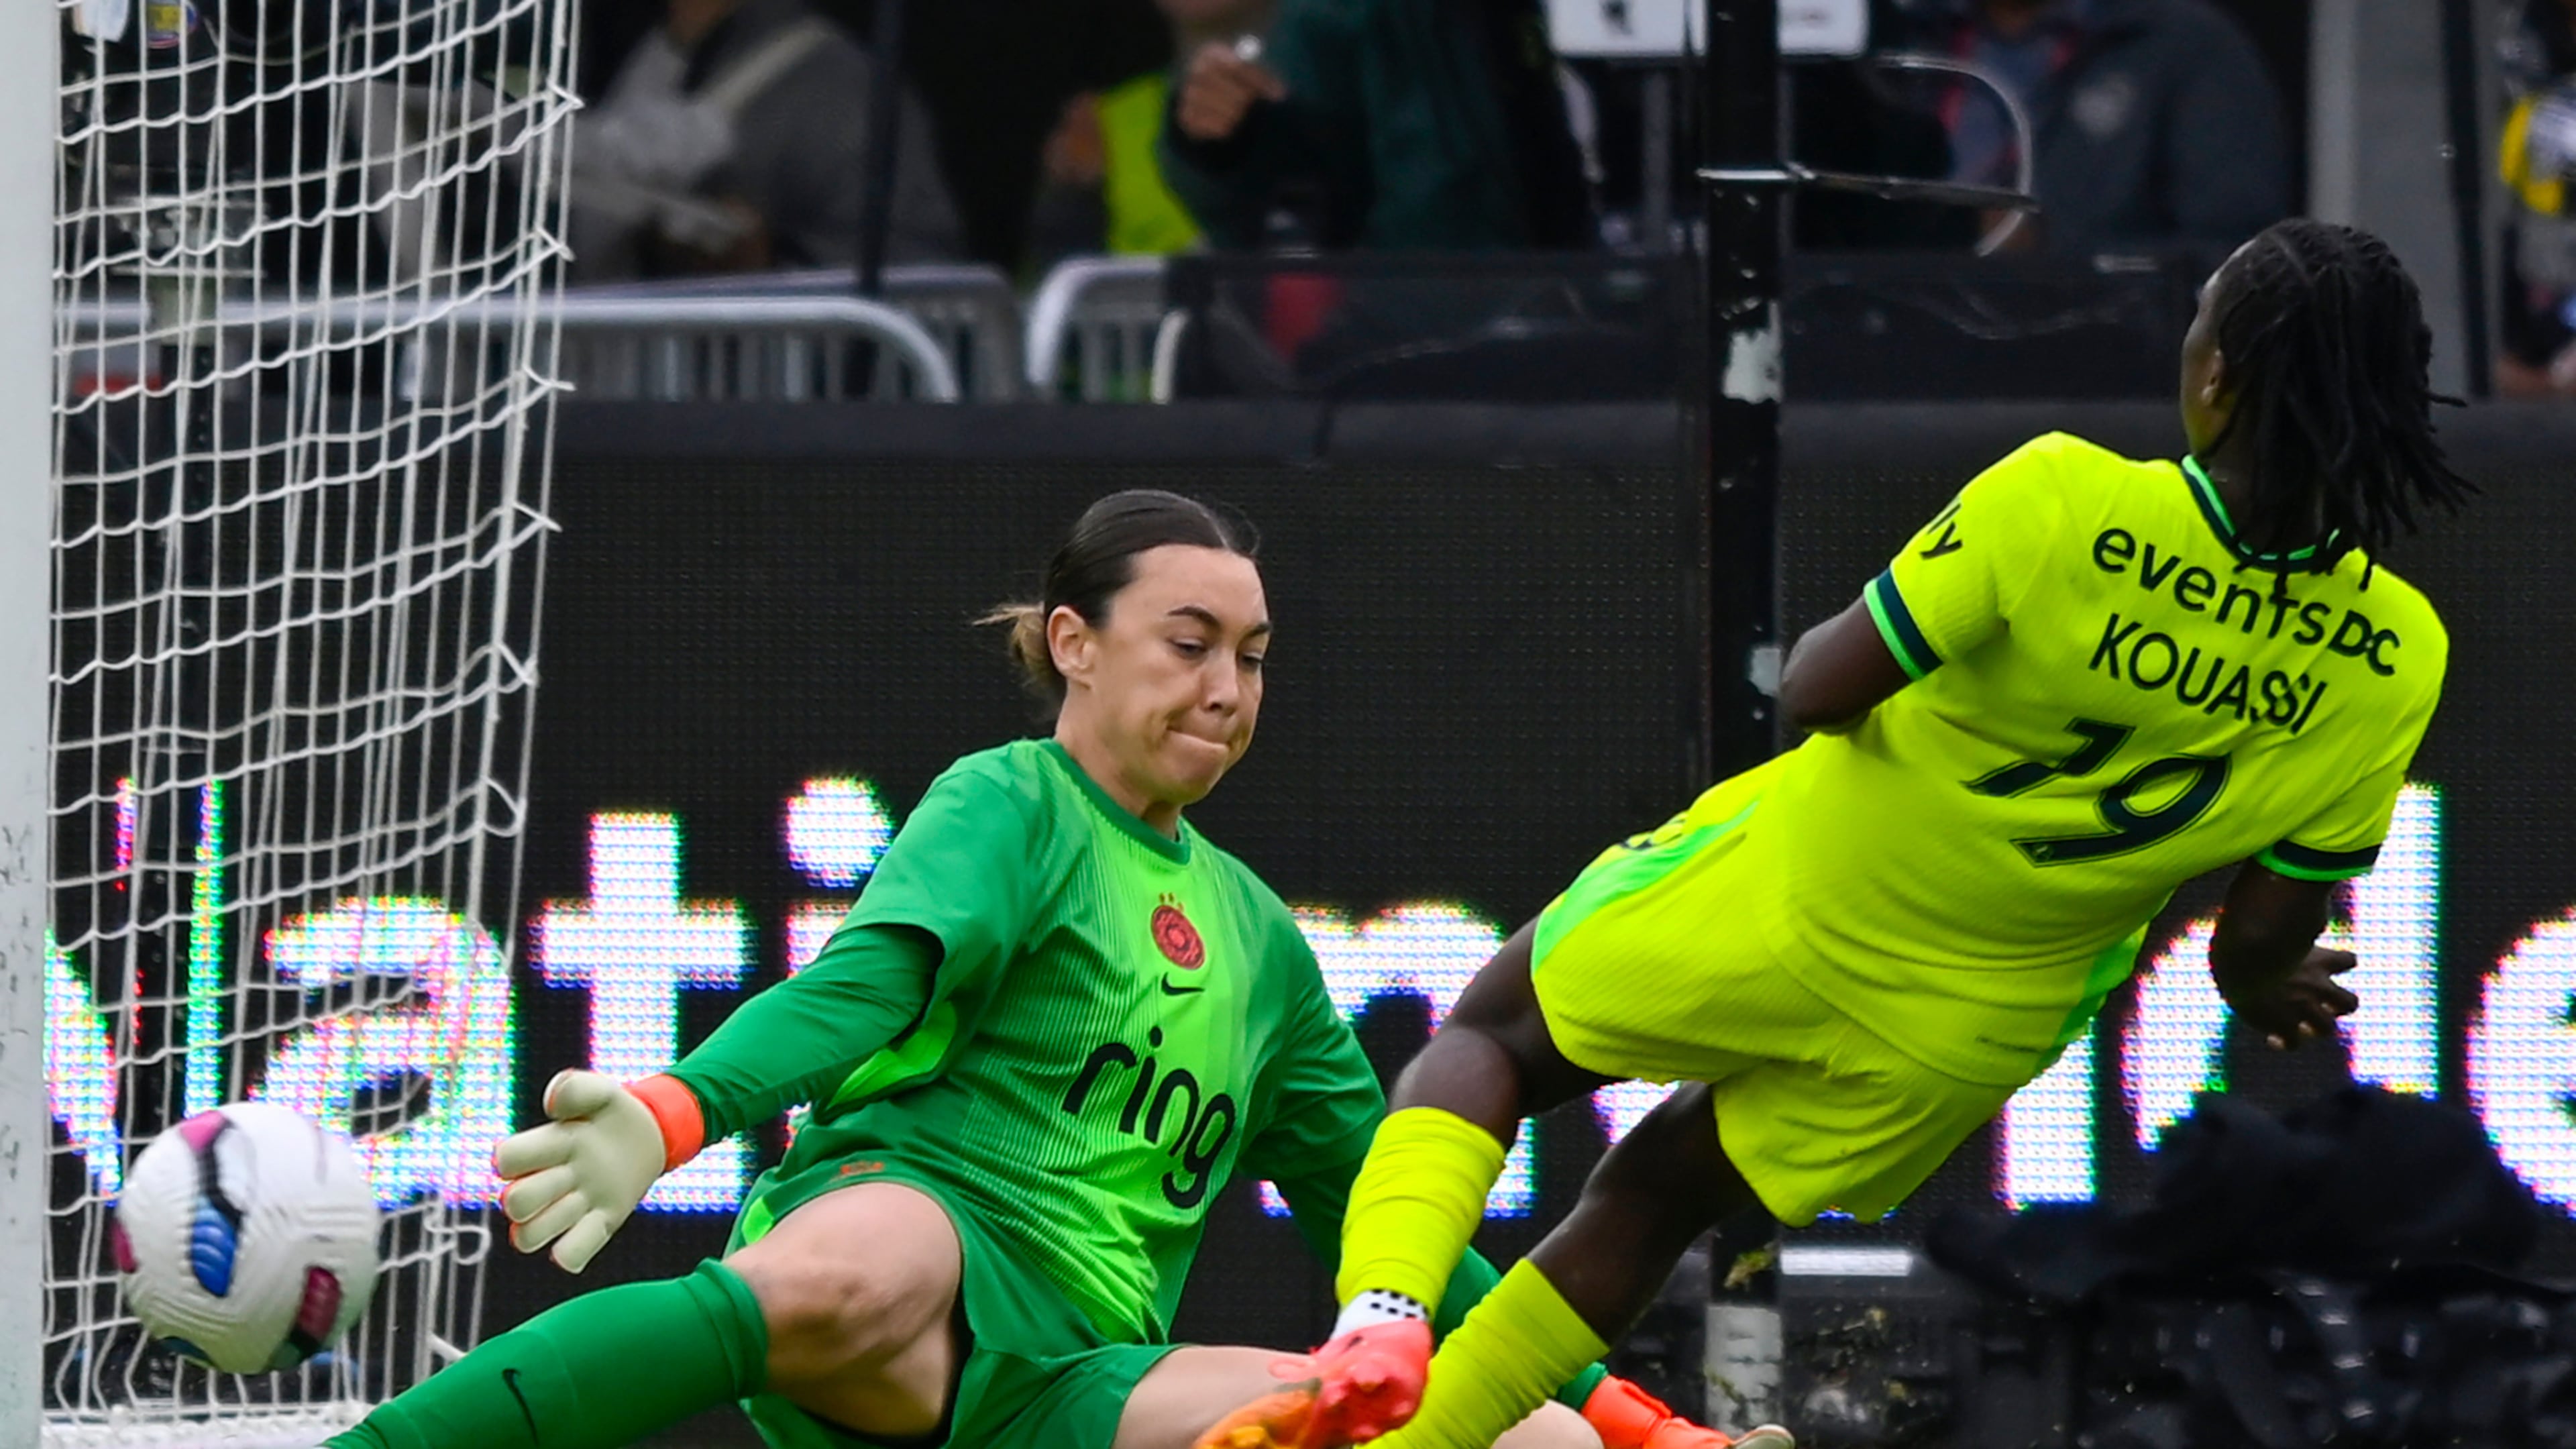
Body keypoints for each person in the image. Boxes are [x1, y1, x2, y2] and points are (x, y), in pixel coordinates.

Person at [1193, 216, 2473, 1449]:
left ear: (2218, 376)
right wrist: (2265, 983)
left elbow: (1817, 687)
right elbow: (2259, 936)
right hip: (1963, 1032)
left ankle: (1383, 1321)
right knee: (1658, 1199)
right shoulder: (2396, 654)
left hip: (1803, 892)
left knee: (1495, 1040)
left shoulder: (2067, 499)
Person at [325, 490, 1747, 1449]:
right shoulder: (1013, 801)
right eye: (1189, 645)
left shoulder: (1258, 941)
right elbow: (866, 990)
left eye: (1252, 658)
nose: (1226, 689)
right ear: (1074, 643)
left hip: (1077, 1387)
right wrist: (677, 1110)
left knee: (1509, 1435)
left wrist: (1630, 1418)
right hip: (919, 1261)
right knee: (870, 1271)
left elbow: (1399, 1242)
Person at [1152, 0, 1595, 251]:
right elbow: (1272, 186)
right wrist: (1217, 142)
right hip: (1403, 355)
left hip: (1597, 328)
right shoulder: (1337, 16)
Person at [568, 0, 961, 279]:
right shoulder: (633, 53)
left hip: (752, 385)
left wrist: (769, 262)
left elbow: (918, 273)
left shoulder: (841, 89)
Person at [1899, 0, 2290, 258]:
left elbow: (2240, 255)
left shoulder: (2185, 45)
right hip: (1901, 341)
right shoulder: (1904, 35)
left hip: (2105, 365)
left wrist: (2050, 254)